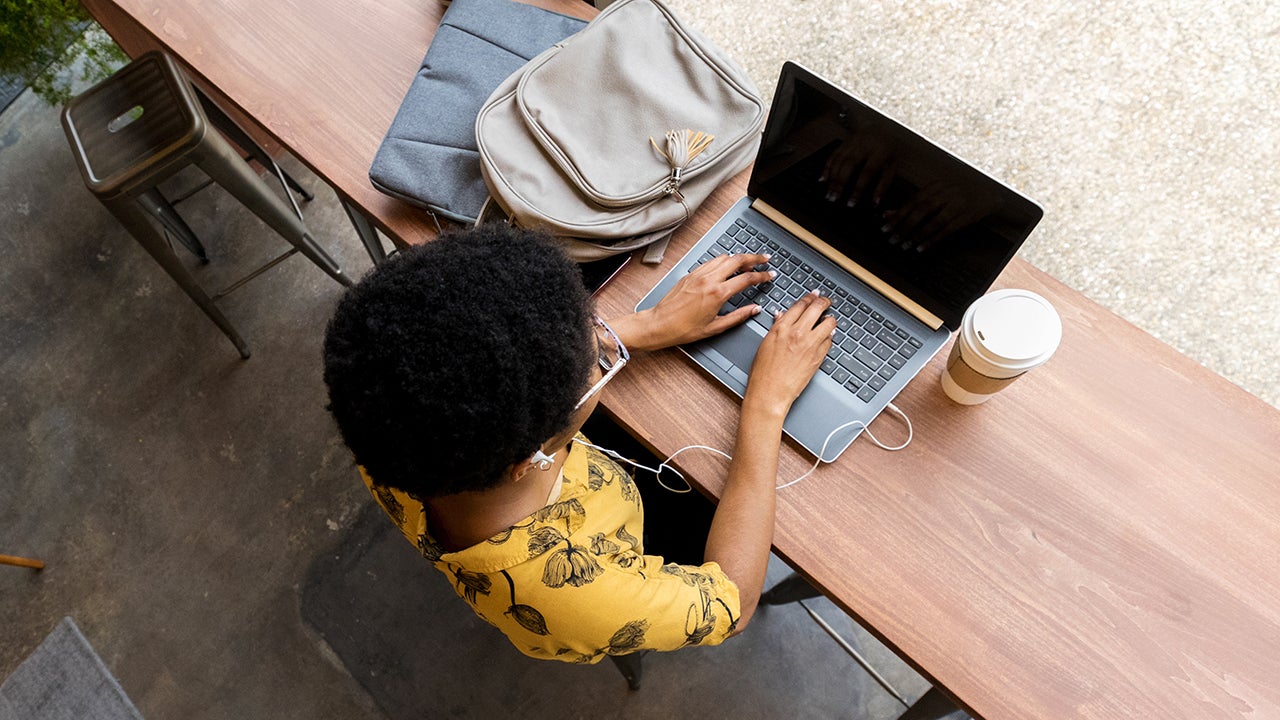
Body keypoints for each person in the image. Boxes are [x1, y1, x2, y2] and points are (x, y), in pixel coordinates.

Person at [322, 223, 833, 663]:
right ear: (530, 460)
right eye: (599, 364)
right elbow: (733, 604)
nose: (605, 345)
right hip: (634, 538)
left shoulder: (391, 419)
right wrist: (765, 405)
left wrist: (646, 326)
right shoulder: (576, 596)